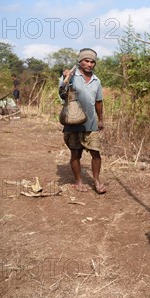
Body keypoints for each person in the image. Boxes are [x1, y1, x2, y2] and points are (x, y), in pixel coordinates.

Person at [59, 48, 106, 194]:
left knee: (96, 153)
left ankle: (97, 181)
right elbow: (61, 94)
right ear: (80, 61)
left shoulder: (96, 81)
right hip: (73, 122)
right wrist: (65, 78)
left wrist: (101, 119)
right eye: (86, 61)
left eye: (92, 62)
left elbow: (98, 102)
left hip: (90, 123)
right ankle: (79, 181)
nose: (89, 64)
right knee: (75, 153)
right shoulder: (70, 75)